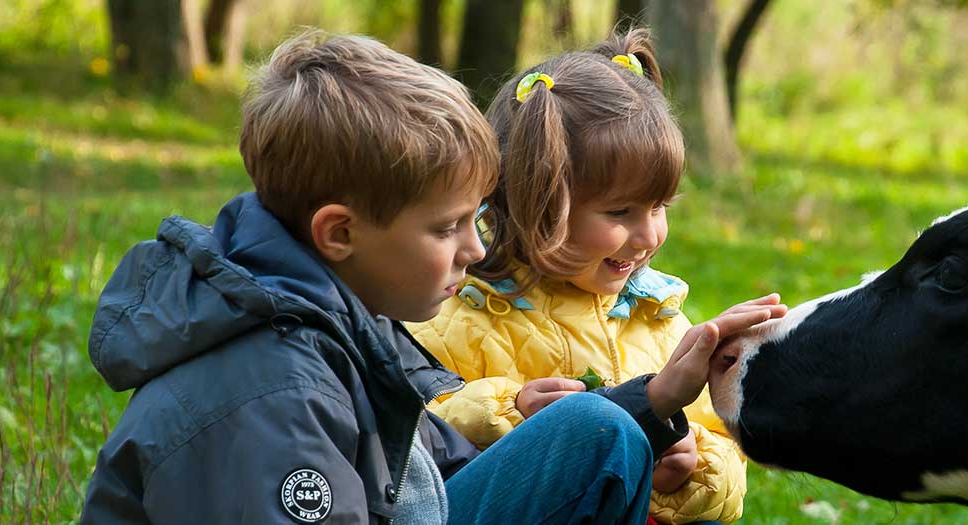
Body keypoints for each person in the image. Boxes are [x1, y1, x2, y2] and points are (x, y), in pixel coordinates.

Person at [79, 29, 785, 525]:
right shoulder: (273, 390)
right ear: (340, 233)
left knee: (599, 431)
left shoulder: (343, 324)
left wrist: (653, 404)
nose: (475, 249)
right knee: (596, 433)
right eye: (446, 227)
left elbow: (448, 465)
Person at [408, 29, 759, 525]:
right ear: (537, 204)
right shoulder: (460, 314)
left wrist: (692, 466)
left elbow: (726, 458)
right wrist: (513, 412)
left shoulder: (659, 321)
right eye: (620, 212)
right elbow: (414, 441)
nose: (649, 235)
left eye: (659, 207)